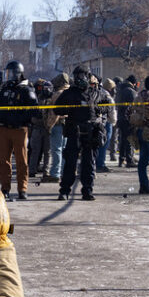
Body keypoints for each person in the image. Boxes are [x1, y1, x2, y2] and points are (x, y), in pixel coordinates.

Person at [56, 65, 111, 201]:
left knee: (89, 163)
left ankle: (87, 190)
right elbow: (57, 109)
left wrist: (99, 109)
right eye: (76, 76)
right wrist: (69, 109)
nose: (78, 79)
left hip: (92, 131)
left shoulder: (96, 92)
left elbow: (108, 105)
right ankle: (64, 190)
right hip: (74, 131)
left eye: (81, 76)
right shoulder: (70, 93)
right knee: (70, 162)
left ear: (87, 76)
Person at [0, 60, 37, 200]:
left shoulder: (26, 90)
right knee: (4, 161)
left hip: (20, 129)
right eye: (7, 73)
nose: (8, 76)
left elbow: (35, 110)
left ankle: (22, 189)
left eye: (11, 73)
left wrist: (20, 118)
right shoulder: (4, 89)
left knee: (21, 161)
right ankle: (5, 188)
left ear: (18, 74)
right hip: (3, 129)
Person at [40, 73, 69, 184]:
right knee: (64, 149)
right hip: (67, 125)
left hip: (58, 124)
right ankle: (63, 172)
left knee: (56, 150)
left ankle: (55, 174)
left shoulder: (57, 94)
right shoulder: (70, 92)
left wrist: (49, 125)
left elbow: (54, 112)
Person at [115, 75, 139, 167]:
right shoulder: (131, 92)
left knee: (122, 139)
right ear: (134, 83)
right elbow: (135, 106)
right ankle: (129, 160)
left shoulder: (120, 90)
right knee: (130, 139)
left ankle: (121, 159)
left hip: (120, 118)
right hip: (128, 119)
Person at [27, 78, 50, 177]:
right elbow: (32, 113)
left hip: (48, 128)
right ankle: (32, 169)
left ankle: (46, 171)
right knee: (34, 150)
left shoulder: (51, 99)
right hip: (36, 127)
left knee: (47, 152)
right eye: (42, 88)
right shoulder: (36, 98)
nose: (45, 90)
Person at [94, 76, 116, 174]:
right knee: (104, 144)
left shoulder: (97, 92)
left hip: (97, 121)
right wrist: (113, 121)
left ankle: (96, 163)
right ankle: (100, 164)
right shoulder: (107, 95)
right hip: (106, 122)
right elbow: (111, 110)